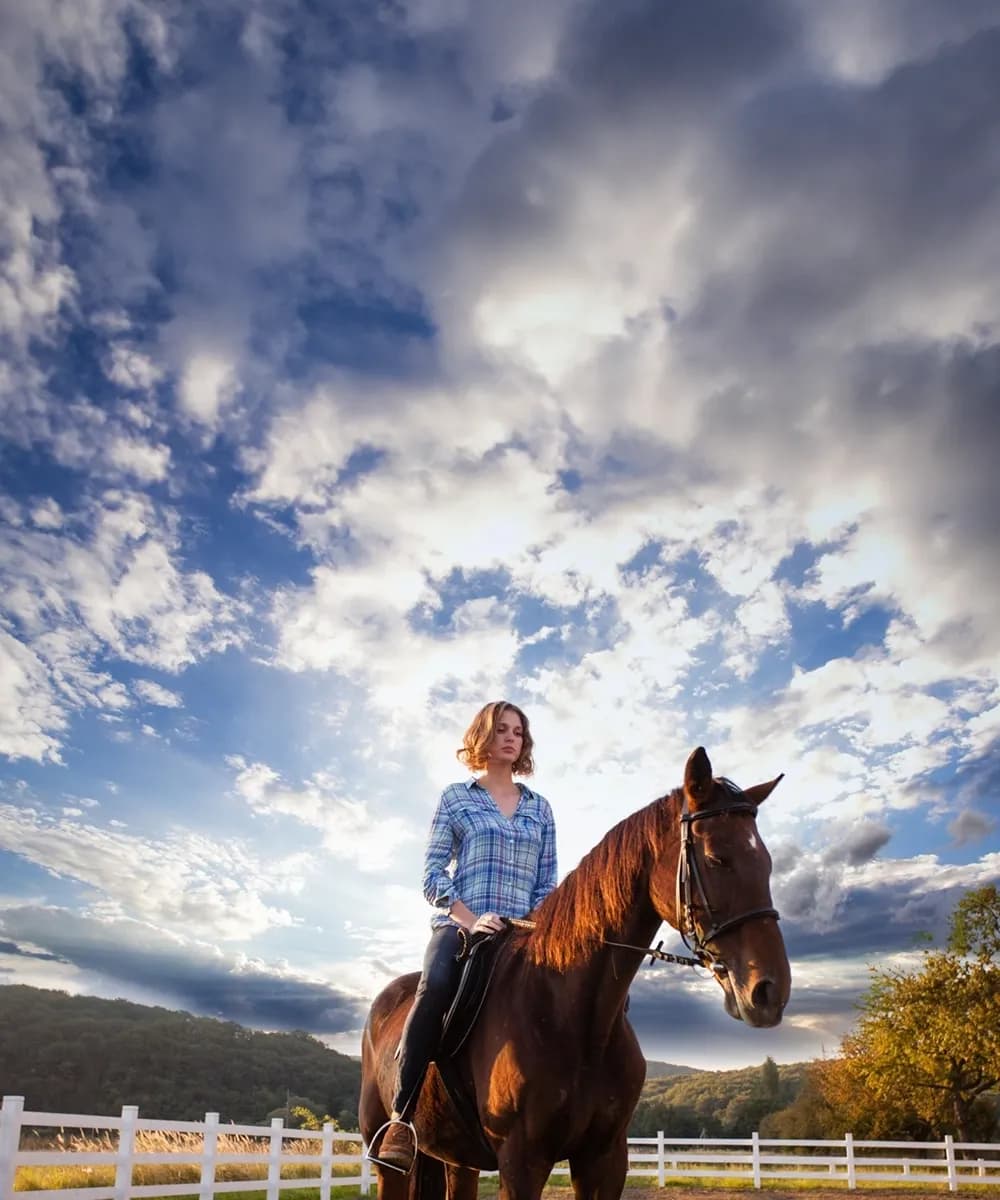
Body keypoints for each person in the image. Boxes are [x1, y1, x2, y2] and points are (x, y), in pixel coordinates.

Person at [370, 700, 557, 1174]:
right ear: (483, 737)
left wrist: (532, 926)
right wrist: (471, 920)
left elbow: (548, 881)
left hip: (524, 935)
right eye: (501, 730)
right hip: (461, 928)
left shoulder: (541, 808)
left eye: (518, 731)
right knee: (432, 989)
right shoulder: (457, 798)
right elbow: (432, 875)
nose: (511, 738)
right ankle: (401, 1119)